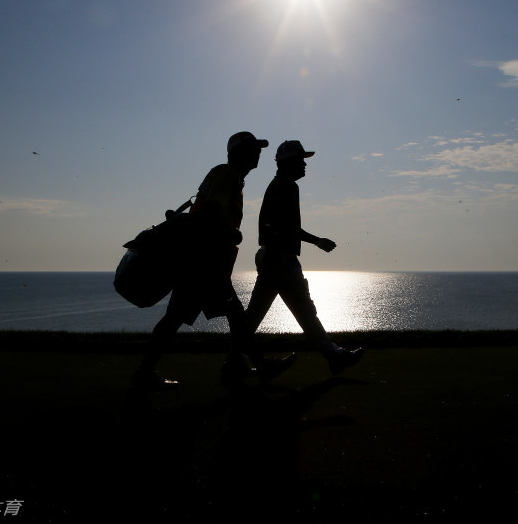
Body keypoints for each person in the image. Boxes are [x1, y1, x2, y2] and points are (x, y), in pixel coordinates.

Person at [131, 131, 295, 389]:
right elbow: (209, 214)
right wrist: (231, 232)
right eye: (253, 149)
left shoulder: (231, 177)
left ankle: (147, 372)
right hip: (204, 263)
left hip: (202, 262)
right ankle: (258, 366)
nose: (258, 154)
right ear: (238, 153)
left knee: (191, 318)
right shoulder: (227, 174)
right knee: (226, 316)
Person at [243, 140, 364, 375]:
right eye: (301, 160)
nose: (305, 165)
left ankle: (234, 361)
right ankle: (334, 355)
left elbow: (284, 227)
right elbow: (286, 227)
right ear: (290, 163)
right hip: (280, 259)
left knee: (261, 314)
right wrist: (317, 241)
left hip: (276, 257)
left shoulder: (283, 185)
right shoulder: (285, 186)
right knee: (301, 310)